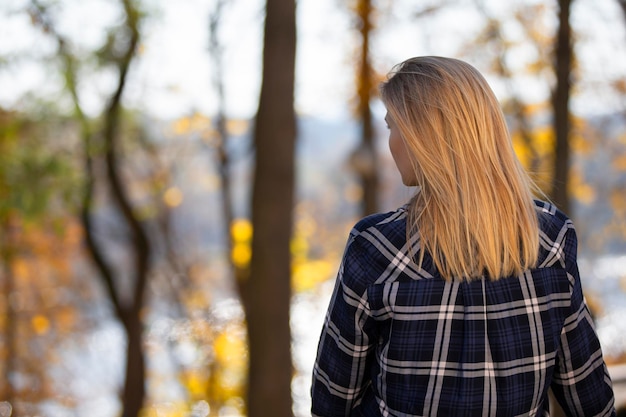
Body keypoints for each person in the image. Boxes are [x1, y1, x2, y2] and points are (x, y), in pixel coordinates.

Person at [311, 56, 616, 416]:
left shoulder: (377, 247)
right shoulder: (550, 238)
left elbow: (333, 398)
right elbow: (590, 397)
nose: (390, 142)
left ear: (423, 135)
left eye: (393, 126)